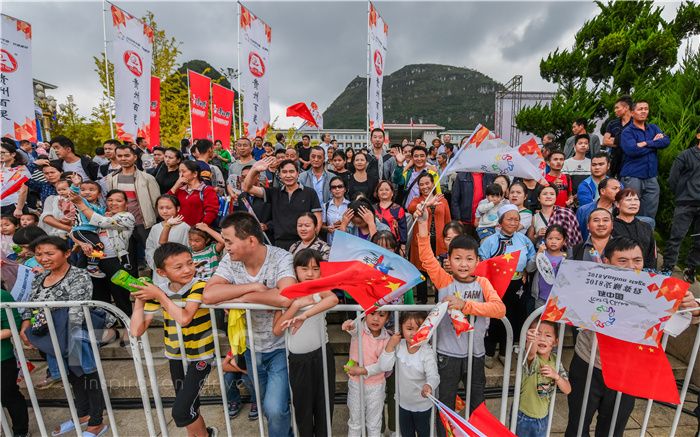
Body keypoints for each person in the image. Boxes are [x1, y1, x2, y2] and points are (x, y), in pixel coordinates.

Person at [203, 213, 296, 437]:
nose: (225, 247)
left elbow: (286, 296)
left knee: (275, 409)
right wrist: (253, 288)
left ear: (251, 240)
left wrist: (239, 299)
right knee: (268, 408)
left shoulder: (281, 257)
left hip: (280, 347)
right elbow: (209, 294)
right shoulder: (230, 260)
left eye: (229, 241)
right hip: (250, 348)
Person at [414, 199, 505, 421]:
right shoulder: (444, 280)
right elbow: (426, 257)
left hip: (476, 354)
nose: (463, 264)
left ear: (477, 261)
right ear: (449, 259)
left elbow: (499, 309)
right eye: (457, 259)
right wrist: (423, 224)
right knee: (444, 406)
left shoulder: (483, 283)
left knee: (477, 407)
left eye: (469, 259)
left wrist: (465, 305)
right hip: (447, 356)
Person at [19, 236, 109, 437]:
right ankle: (83, 414)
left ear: (67, 253)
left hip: (75, 334)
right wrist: (26, 326)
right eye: (39, 254)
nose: (43, 258)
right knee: (71, 376)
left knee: (88, 375)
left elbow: (77, 308)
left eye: (50, 253)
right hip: (50, 337)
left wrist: (66, 338)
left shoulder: (79, 275)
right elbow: (29, 305)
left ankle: (96, 422)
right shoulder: (40, 278)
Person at [129, 243, 217, 437]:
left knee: (181, 411)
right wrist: (140, 300)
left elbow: (185, 319)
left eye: (190, 263)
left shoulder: (200, 285)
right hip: (175, 355)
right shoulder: (159, 291)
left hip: (200, 356)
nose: (187, 269)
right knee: (191, 406)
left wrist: (160, 296)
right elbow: (136, 330)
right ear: (161, 272)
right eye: (178, 267)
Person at [272, 249, 338, 437]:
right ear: (295, 270)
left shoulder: (320, 288)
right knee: (303, 408)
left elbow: (333, 299)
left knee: (324, 405)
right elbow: (277, 330)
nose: (310, 273)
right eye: (304, 269)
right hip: (298, 360)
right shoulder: (287, 293)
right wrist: (296, 305)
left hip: (322, 355)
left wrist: (305, 314)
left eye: (315, 269)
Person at [480, 204, 536, 367]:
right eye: (509, 219)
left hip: (517, 284)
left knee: (513, 318)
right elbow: (482, 262)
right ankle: (489, 352)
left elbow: (531, 263)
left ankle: (505, 352)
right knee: (494, 318)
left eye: (516, 219)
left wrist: (534, 261)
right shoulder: (490, 241)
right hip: (495, 285)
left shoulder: (524, 240)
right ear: (500, 221)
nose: (513, 222)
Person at [71, 189, 135, 316]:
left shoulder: (127, 217)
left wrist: (81, 204)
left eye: (118, 200)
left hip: (115, 261)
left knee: (121, 296)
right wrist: (82, 244)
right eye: (110, 200)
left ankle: (128, 326)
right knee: (100, 298)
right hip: (94, 261)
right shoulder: (100, 214)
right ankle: (108, 326)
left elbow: (103, 222)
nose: (113, 203)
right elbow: (73, 231)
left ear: (126, 204)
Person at [242, 157, 322, 250]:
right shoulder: (274, 192)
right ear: (279, 175)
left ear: (298, 173)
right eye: (284, 172)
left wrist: (311, 241)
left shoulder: (309, 193)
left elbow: (318, 219)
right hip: (280, 244)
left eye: (291, 172)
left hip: (304, 244)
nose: (288, 175)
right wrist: (254, 169)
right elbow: (247, 188)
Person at [382, 311, 439, 437]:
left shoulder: (426, 351)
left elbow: (434, 375)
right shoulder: (399, 346)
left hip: (422, 406)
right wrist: (390, 344)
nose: (414, 333)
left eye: (419, 329)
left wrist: (429, 385)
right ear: (401, 328)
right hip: (403, 404)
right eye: (409, 329)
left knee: (424, 433)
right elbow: (385, 366)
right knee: (406, 434)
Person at [104, 145, 160, 266]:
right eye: (120, 156)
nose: (123, 158)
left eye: (127, 155)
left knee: (153, 255)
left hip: (144, 224)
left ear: (134, 157)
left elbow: (156, 202)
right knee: (127, 258)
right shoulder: (111, 178)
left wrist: (151, 218)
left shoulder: (147, 178)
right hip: (122, 224)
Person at [342, 310, 393, 437]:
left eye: (381, 315)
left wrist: (362, 370)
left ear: (387, 319)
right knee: (355, 422)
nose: (376, 318)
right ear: (365, 314)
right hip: (356, 384)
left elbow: (383, 365)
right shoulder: (360, 329)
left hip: (376, 386)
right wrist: (349, 324)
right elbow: (352, 327)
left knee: (374, 424)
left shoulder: (387, 338)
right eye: (372, 313)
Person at [516, 320, 571, 437]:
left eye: (548, 335)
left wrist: (556, 376)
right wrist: (531, 341)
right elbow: (531, 353)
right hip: (524, 417)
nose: (542, 338)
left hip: (544, 417)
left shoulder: (556, 361)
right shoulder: (532, 358)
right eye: (538, 334)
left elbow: (567, 389)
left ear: (555, 342)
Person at [619, 100, 669, 220]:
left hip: (651, 177)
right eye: (640, 109)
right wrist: (654, 143)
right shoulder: (627, 132)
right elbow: (632, 150)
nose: (643, 111)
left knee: (650, 213)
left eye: (646, 109)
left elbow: (665, 141)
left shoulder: (653, 128)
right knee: (631, 211)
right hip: (632, 176)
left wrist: (645, 143)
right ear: (632, 113)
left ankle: (647, 233)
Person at [662, 127, 700, 281]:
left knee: (699, 240)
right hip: (685, 202)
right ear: (698, 135)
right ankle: (667, 267)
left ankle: (691, 269)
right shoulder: (685, 155)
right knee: (676, 237)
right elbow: (673, 178)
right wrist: (681, 194)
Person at [1, 289, 30, 437]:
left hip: (3, 358)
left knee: (8, 394)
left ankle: (20, 431)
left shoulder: (2, 295)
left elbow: (13, 327)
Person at [146, 195, 190, 287]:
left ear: (177, 208)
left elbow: (189, 249)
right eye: (161, 208)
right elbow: (150, 248)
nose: (164, 211)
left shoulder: (185, 228)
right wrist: (156, 264)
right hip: (160, 271)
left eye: (168, 208)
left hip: (178, 271)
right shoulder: (155, 228)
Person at [68, 181, 107, 278]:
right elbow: (73, 194)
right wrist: (75, 185)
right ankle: (92, 267)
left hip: (92, 232)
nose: (87, 192)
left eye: (91, 190)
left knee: (93, 248)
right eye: (83, 190)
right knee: (98, 245)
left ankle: (87, 267)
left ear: (99, 194)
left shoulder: (101, 206)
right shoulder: (81, 202)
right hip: (82, 230)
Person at [612, 188, 656, 270]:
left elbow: (651, 256)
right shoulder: (610, 226)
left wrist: (649, 274)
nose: (633, 203)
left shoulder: (646, 227)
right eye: (628, 200)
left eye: (636, 200)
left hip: (642, 274)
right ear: (617, 204)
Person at [168, 160, 220, 227]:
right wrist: (176, 185)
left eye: (183, 171)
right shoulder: (180, 189)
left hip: (196, 230)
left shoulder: (207, 190)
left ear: (195, 174)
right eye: (179, 172)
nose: (180, 175)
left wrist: (201, 226)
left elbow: (212, 211)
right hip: (179, 228)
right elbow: (166, 201)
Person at [529, 225, 568, 308]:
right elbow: (529, 269)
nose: (553, 241)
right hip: (540, 297)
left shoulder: (566, 257)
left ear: (564, 241)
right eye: (550, 238)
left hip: (558, 298)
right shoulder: (542, 254)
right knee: (539, 316)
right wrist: (538, 254)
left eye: (558, 239)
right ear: (545, 240)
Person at [450, 171, 495, 237]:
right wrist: (457, 219)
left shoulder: (490, 176)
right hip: (465, 221)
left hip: (483, 221)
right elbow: (455, 199)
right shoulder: (461, 176)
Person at [603, 95, 633, 178]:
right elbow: (605, 141)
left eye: (617, 108)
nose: (615, 110)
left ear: (626, 108)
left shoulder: (636, 123)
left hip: (630, 163)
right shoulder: (612, 123)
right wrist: (626, 142)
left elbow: (636, 142)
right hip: (614, 162)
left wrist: (614, 140)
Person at [373, 180, 407, 250]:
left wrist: (403, 244)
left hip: (393, 245)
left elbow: (403, 228)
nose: (384, 192)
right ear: (377, 193)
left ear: (392, 193)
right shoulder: (373, 208)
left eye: (387, 190)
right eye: (381, 190)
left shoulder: (398, 209)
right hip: (376, 243)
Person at [1, 142, 31, 216]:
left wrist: (19, 208)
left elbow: (23, 190)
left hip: (14, 205)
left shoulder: (21, 169)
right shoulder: (2, 168)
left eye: (3, 152)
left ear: (13, 154)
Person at [323, 176, 350, 245]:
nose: (337, 189)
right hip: (330, 243)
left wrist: (344, 226)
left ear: (345, 189)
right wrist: (327, 228)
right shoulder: (325, 206)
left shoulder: (350, 206)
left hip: (347, 242)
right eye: (333, 187)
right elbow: (322, 225)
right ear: (330, 190)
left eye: (340, 186)